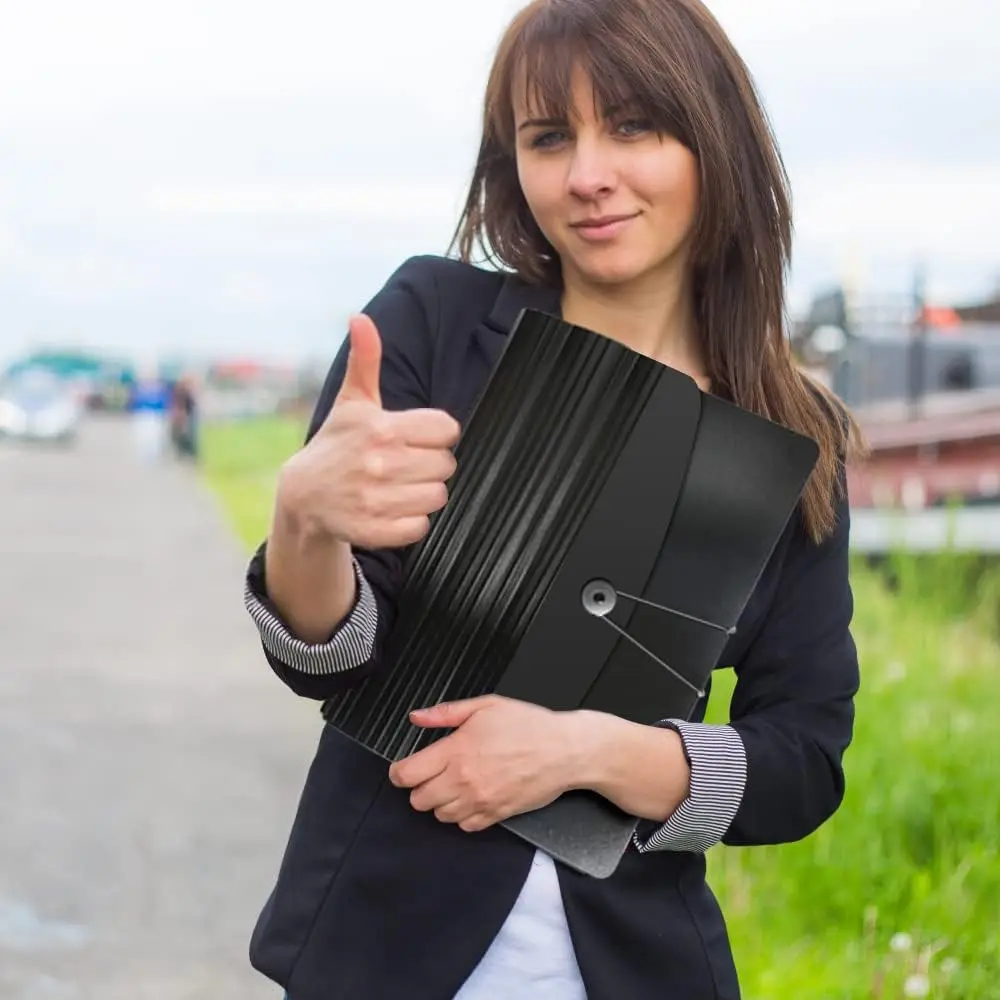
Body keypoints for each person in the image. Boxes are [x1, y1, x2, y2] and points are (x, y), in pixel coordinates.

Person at [242, 0, 864, 997]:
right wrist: (301, 521)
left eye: (631, 126)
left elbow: (804, 758)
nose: (586, 175)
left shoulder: (792, 438)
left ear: (715, 140)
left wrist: (588, 753)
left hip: (632, 965)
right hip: (382, 950)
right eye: (547, 138)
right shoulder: (433, 324)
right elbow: (331, 660)